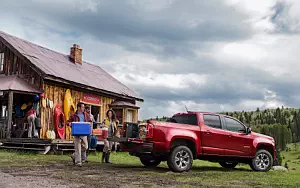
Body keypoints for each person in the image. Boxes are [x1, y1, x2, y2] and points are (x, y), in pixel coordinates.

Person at [68, 102, 91, 167]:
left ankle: (74, 155)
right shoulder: (73, 115)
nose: (84, 108)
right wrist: (69, 123)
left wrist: (90, 121)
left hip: (84, 132)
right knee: (78, 147)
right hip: (76, 132)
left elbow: (89, 121)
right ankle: (78, 162)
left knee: (85, 147)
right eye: (83, 107)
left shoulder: (86, 115)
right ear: (78, 108)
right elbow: (68, 121)